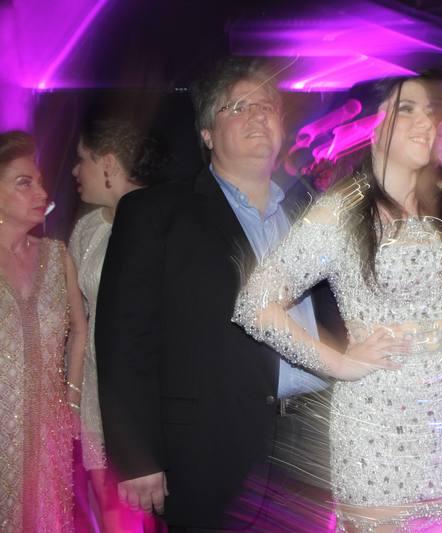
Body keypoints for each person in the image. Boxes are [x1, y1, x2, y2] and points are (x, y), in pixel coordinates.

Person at [233, 76, 442, 532]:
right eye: (407, 109)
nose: (426, 121)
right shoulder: (341, 212)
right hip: (375, 421)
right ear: (371, 129)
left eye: (429, 111)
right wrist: (339, 363)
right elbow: (256, 304)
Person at [95, 57, 325, 530]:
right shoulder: (156, 213)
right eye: (237, 107)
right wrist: (136, 455)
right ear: (206, 133)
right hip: (208, 448)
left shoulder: (315, 212)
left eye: (267, 106)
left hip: (311, 442)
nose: (257, 115)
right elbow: (124, 339)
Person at [69, 118, 164, 529]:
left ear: (108, 163)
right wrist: (73, 396)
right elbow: (77, 322)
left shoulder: (163, 221)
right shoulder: (87, 230)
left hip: (146, 393)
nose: (75, 171)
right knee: (112, 514)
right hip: (97, 389)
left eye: (82, 159)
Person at [0, 130, 87, 532]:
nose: (41, 192)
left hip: (49, 431)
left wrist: (71, 402)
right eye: (24, 183)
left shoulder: (56, 256)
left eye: (38, 181)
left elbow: (80, 332)